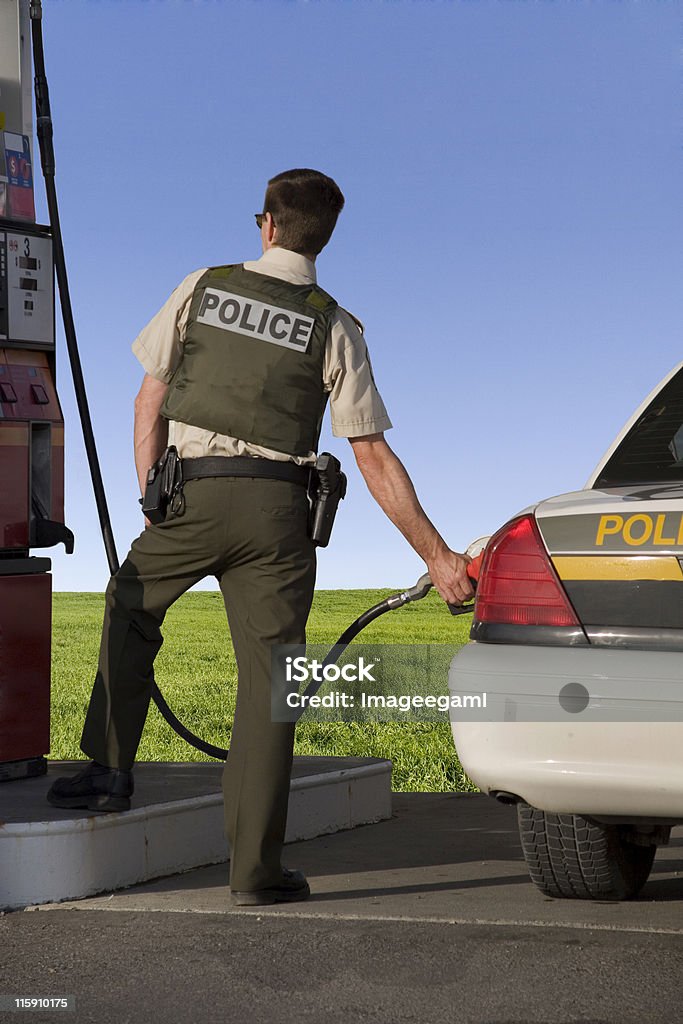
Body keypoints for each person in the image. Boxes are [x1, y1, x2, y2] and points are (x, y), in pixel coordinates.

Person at [47, 168, 473, 906]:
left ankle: (109, 773)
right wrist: (437, 559)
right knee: (269, 686)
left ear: (266, 225)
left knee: (129, 608)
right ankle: (254, 873)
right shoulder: (335, 324)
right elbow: (370, 453)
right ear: (322, 238)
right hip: (280, 516)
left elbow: (149, 395)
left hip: (194, 494)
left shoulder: (202, 287)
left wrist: (155, 491)